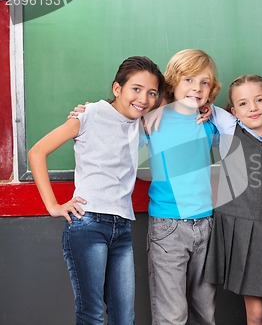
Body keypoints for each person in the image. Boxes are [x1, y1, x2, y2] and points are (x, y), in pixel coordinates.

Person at [28, 56, 164, 325]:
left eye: (151, 93)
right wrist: (54, 206)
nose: (143, 98)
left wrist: (206, 108)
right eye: (136, 89)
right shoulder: (90, 114)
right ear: (117, 89)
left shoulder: (142, 122)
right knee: (92, 316)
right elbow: (37, 152)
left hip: (122, 228)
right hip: (88, 224)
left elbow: (178, 100)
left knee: (124, 318)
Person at [203, 75, 262, 325]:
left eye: (259, 100)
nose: (253, 108)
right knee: (257, 314)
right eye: (243, 104)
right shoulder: (230, 129)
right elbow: (198, 100)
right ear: (233, 111)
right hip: (244, 230)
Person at [143, 49, 221, 325]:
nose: (197, 88)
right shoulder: (151, 121)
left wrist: (212, 110)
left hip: (205, 224)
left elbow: (245, 125)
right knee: (172, 315)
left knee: (206, 312)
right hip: (168, 227)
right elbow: (116, 124)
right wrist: (86, 112)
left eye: (204, 82)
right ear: (173, 82)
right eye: (188, 80)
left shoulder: (210, 122)